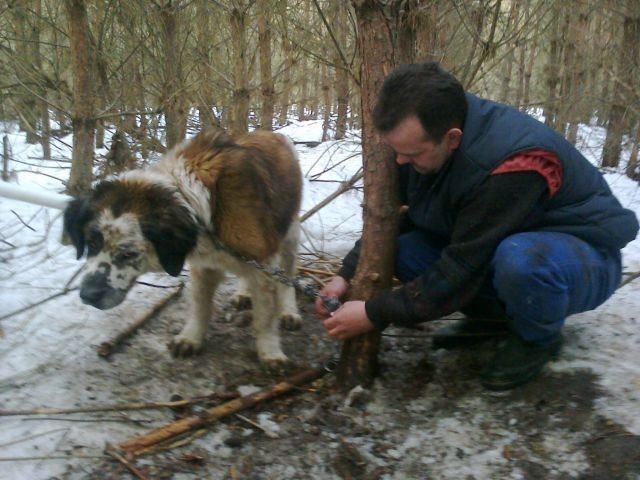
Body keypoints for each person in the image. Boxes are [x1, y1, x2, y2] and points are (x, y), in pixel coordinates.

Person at [315, 62, 639, 390]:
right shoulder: (424, 139)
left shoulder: (510, 164)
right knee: (405, 250)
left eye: (411, 155)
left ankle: (538, 338)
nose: (400, 163)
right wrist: (345, 275)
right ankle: (498, 320)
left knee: (521, 261)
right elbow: (397, 221)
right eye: (396, 152)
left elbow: (461, 268)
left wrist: (374, 312)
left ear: (452, 138)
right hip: (495, 244)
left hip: (581, 259)